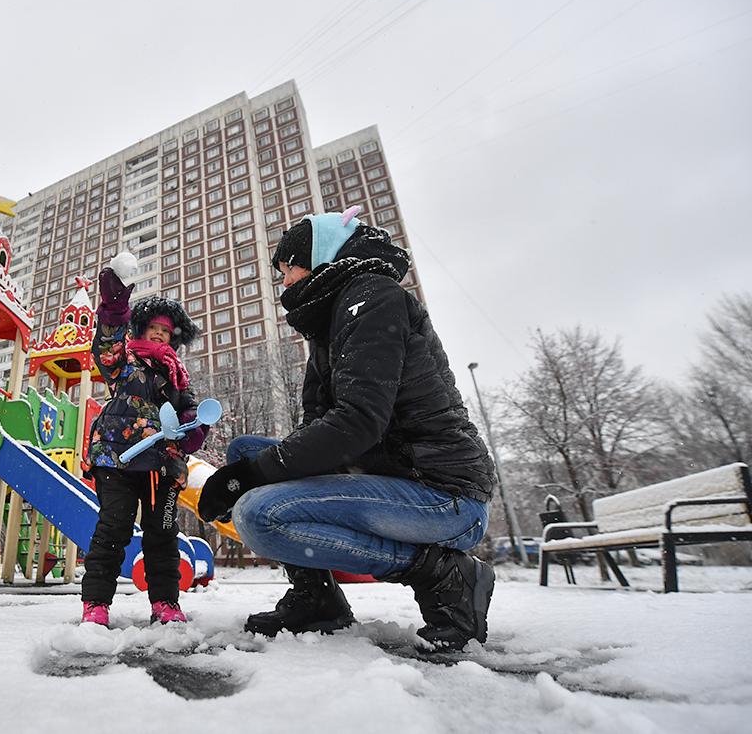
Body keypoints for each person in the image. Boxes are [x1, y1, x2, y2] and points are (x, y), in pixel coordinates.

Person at [198, 207, 497, 651]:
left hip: (443, 495)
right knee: (246, 449)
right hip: (390, 479)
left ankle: (442, 574)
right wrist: (250, 468)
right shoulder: (331, 326)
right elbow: (317, 428)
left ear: (319, 259)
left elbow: (358, 422)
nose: (284, 283)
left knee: (259, 514)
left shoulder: (373, 297)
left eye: (289, 269)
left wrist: (250, 479)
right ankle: (317, 599)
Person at [81, 253, 207, 627]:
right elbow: (107, 345)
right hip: (117, 460)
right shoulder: (125, 362)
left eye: (166, 331)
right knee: (113, 528)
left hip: (163, 467)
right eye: (152, 327)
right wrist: (114, 309)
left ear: (173, 338)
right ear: (139, 329)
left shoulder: (178, 379)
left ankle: (166, 603)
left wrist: (193, 429)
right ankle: (96, 604)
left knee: (164, 535)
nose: (158, 334)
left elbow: (194, 417)